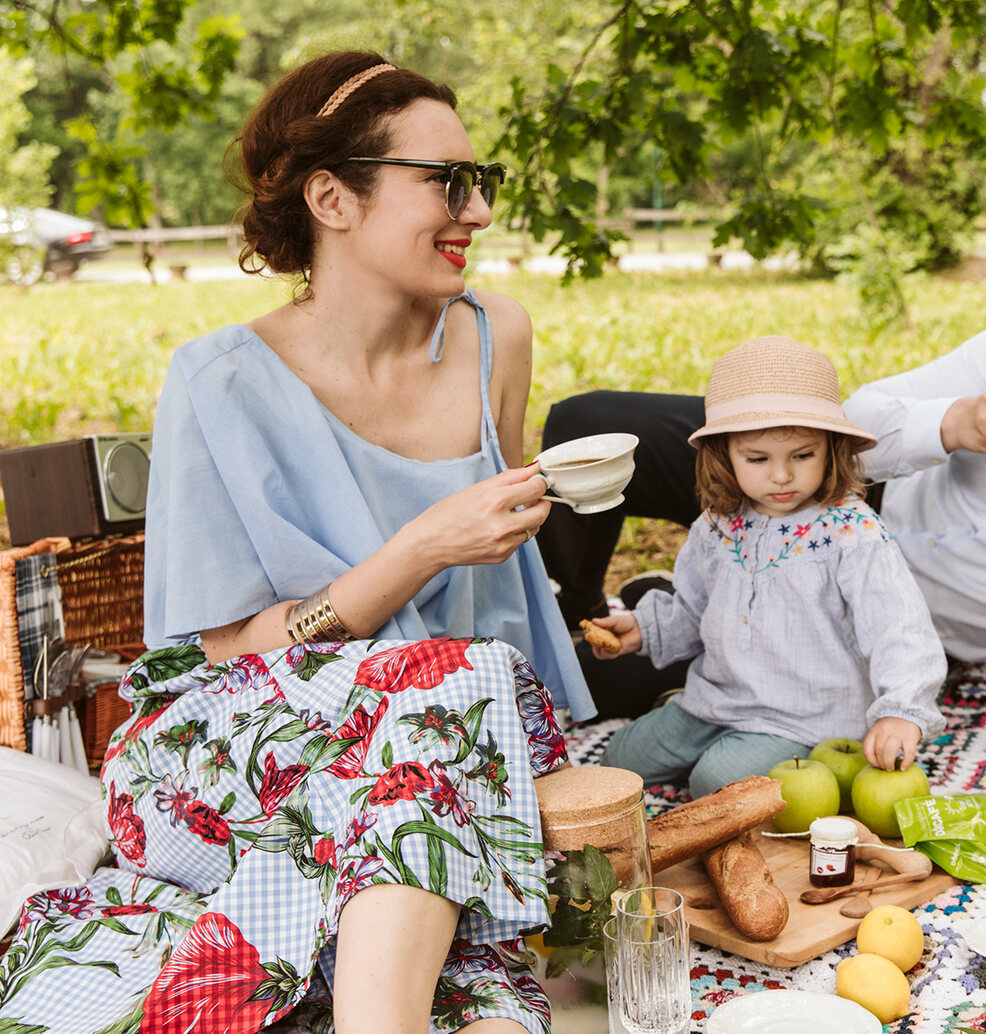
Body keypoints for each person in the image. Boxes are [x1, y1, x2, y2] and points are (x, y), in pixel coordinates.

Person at [1, 52, 590, 1034]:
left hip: (446, 749)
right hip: (226, 755)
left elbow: (504, 584)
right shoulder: (217, 381)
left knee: (446, 746)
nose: (477, 211)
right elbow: (221, 651)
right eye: (446, 181)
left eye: (480, 181)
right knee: (440, 693)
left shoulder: (497, 337)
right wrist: (420, 548)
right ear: (333, 196)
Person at [539, 231, 986, 818]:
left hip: (879, 641)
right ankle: (571, 611)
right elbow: (854, 423)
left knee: (594, 690)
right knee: (590, 424)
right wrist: (953, 422)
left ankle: (673, 615)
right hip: (838, 491)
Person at [586, 336, 946, 799]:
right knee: (620, 762)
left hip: (808, 715)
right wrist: (643, 630)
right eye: (757, 459)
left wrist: (902, 710)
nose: (781, 476)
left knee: (714, 783)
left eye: (803, 455)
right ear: (723, 453)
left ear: (831, 448)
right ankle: (720, 740)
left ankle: (765, 762)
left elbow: (900, 626)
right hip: (716, 699)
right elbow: (695, 609)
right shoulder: (717, 524)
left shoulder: (850, 530)